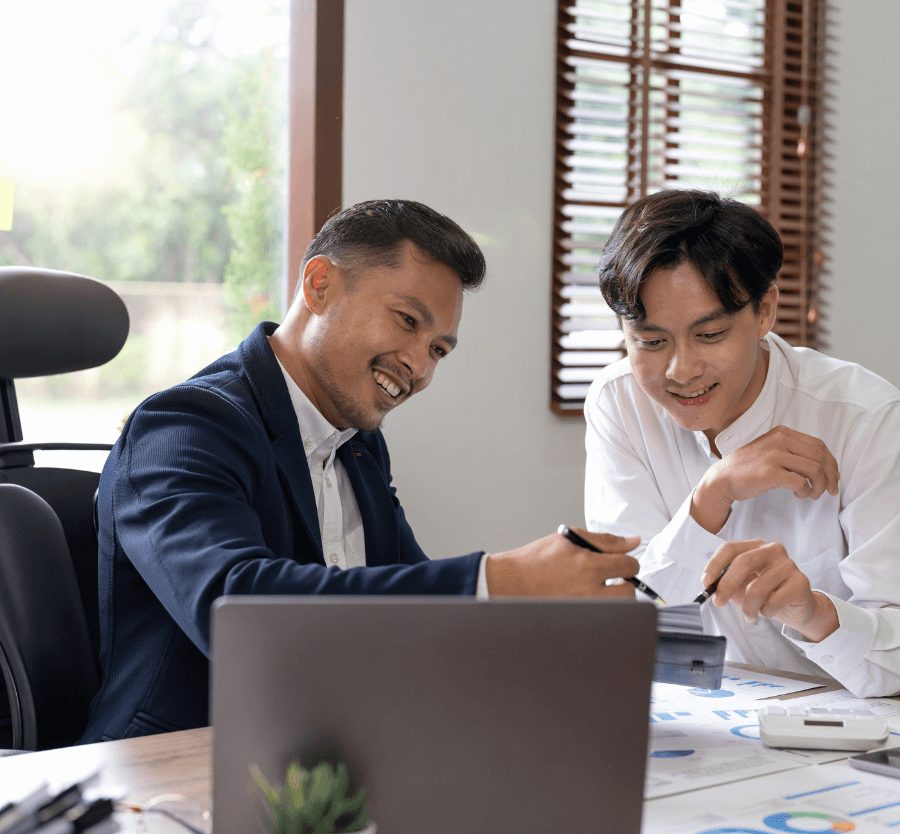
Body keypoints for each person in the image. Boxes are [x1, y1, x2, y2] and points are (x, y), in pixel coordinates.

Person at [82, 199, 640, 742]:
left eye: (439, 350)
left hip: (322, 757)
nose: (419, 367)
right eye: (406, 321)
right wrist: (500, 579)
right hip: (176, 768)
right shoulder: (185, 425)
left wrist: (545, 627)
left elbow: (404, 604)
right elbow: (236, 610)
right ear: (319, 284)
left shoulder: (358, 445)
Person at [584, 189, 900, 698]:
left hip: (852, 732)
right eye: (650, 341)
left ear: (765, 310)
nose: (680, 371)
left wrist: (812, 612)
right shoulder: (619, 402)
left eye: (709, 336)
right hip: (711, 718)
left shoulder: (864, 419)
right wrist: (712, 497)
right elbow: (625, 609)